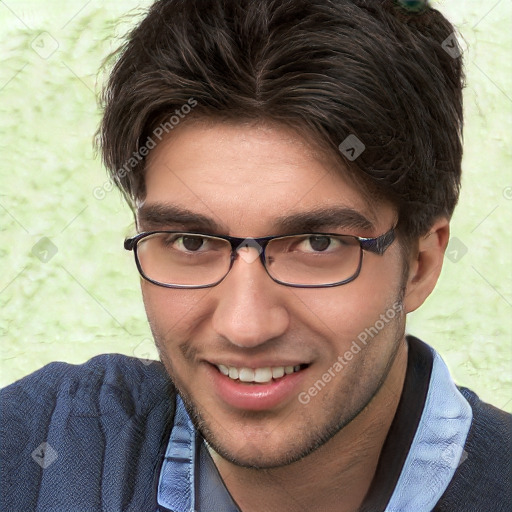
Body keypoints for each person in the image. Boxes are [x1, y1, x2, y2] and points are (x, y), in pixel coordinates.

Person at [1, 0, 510, 510]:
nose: (245, 327)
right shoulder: (34, 451)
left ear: (420, 266)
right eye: (192, 242)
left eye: (318, 244)